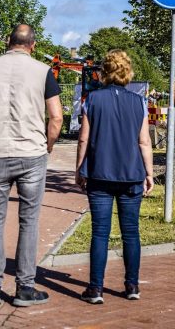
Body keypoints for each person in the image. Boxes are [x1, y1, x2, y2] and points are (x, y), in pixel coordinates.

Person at [0, 24, 63, 307]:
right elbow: (56, 117)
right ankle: (24, 288)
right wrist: (47, 145)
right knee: (29, 221)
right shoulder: (43, 71)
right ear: (32, 45)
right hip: (32, 154)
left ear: (8, 42)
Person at [75, 49, 154, 304]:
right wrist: (149, 173)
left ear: (104, 73)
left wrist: (79, 169)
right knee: (131, 232)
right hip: (131, 174)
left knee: (100, 232)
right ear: (127, 72)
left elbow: (84, 138)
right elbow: (144, 141)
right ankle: (132, 286)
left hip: (99, 175)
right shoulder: (139, 102)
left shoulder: (92, 100)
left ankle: (95, 289)